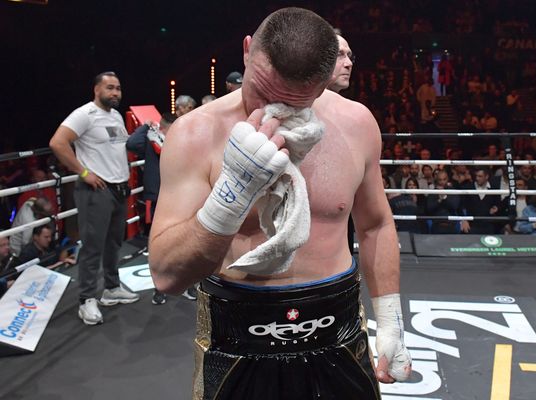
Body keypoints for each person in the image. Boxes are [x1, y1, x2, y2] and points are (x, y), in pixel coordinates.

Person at [149, 8, 411, 399]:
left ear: (324, 83)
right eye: (263, 92)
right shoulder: (194, 134)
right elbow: (167, 276)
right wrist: (231, 194)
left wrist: (389, 320)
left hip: (337, 325)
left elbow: (374, 224)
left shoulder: (356, 124)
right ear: (246, 51)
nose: (272, 112)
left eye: (294, 102)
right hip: (236, 335)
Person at [49, 71, 139, 326]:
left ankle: (111, 288)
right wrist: (84, 172)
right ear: (96, 89)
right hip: (96, 190)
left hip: (119, 189)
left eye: (118, 88)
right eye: (110, 88)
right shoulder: (84, 114)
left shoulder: (116, 116)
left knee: (113, 244)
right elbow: (58, 142)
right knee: (92, 246)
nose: (115, 93)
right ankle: (86, 299)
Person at [126, 112, 176, 305]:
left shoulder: (179, 143)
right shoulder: (149, 141)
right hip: (156, 199)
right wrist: (145, 126)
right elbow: (130, 144)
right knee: (157, 245)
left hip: (176, 197)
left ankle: (187, 286)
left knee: (180, 242)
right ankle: (159, 288)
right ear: (162, 128)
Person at [327, 32, 356, 253]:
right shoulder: (291, 112)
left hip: (343, 223)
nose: (348, 63)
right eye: (339, 55)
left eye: (350, 56)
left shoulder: (354, 117)